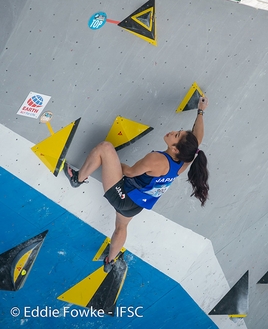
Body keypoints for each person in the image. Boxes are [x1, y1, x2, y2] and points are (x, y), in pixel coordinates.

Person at [64, 97, 209, 272]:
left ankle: (77, 179)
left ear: (175, 149)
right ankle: (110, 261)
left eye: (176, 135)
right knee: (121, 227)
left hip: (123, 195)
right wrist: (200, 111)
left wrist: (114, 165)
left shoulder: (157, 160)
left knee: (105, 148)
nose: (172, 132)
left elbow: (130, 172)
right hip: (137, 205)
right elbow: (197, 140)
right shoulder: (182, 163)